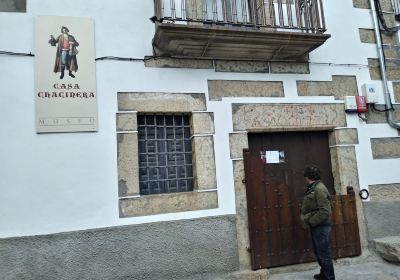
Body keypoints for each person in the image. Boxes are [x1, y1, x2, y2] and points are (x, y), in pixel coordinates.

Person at [300, 165, 335, 280]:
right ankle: (324, 274)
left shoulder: (319, 189)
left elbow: (325, 212)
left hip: (321, 225)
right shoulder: (313, 187)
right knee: (319, 252)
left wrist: (311, 221)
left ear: (308, 177)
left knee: (323, 254)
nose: (304, 178)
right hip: (318, 225)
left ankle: (329, 278)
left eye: (305, 176)